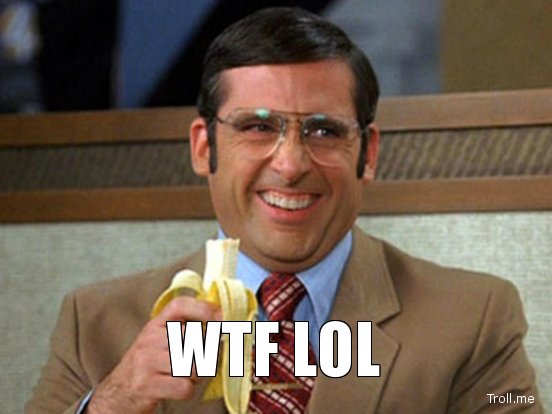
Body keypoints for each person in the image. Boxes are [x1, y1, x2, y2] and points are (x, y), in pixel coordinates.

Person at [26, 7, 541, 414]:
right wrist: (112, 403)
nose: (291, 164)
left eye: (324, 130)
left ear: (367, 154)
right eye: (257, 127)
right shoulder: (96, 323)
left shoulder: (475, 318)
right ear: (204, 148)